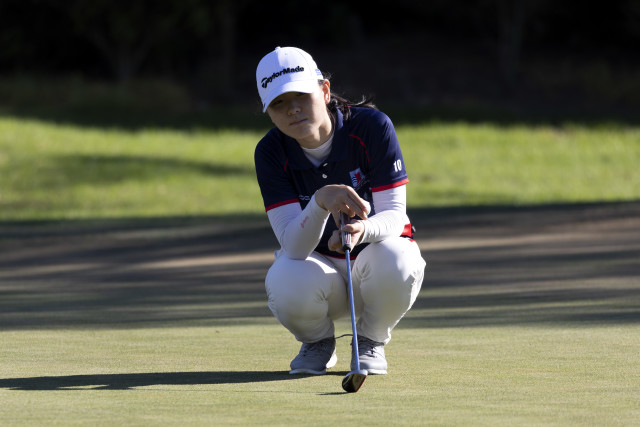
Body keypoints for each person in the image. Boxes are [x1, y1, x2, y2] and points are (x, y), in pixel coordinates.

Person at [254, 46, 426, 375]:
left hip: (375, 264)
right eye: (279, 103)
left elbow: (395, 215)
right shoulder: (270, 152)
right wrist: (320, 201)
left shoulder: (372, 127)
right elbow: (294, 246)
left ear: (324, 90)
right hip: (319, 274)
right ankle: (318, 342)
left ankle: (370, 340)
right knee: (284, 277)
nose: (292, 109)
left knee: (398, 257)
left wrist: (363, 230)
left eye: (301, 96)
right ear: (269, 112)